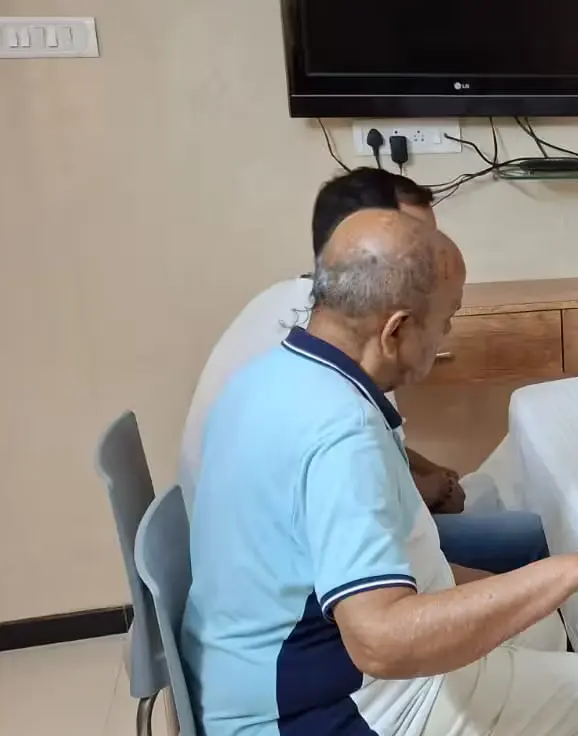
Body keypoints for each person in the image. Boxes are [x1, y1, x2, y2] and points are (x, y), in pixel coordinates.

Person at [182, 209, 578, 736]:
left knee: (546, 628)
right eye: (445, 320)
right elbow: (381, 642)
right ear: (396, 330)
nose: (447, 333)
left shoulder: (269, 374)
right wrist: (572, 571)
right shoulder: (343, 433)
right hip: (316, 712)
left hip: (257, 672)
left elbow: (394, 564)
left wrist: (539, 591)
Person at [179, 168, 545, 574]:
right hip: (279, 566)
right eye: (415, 242)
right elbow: (379, 612)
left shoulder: (296, 342)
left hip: (247, 559)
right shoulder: (341, 409)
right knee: (540, 544)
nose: (431, 258)